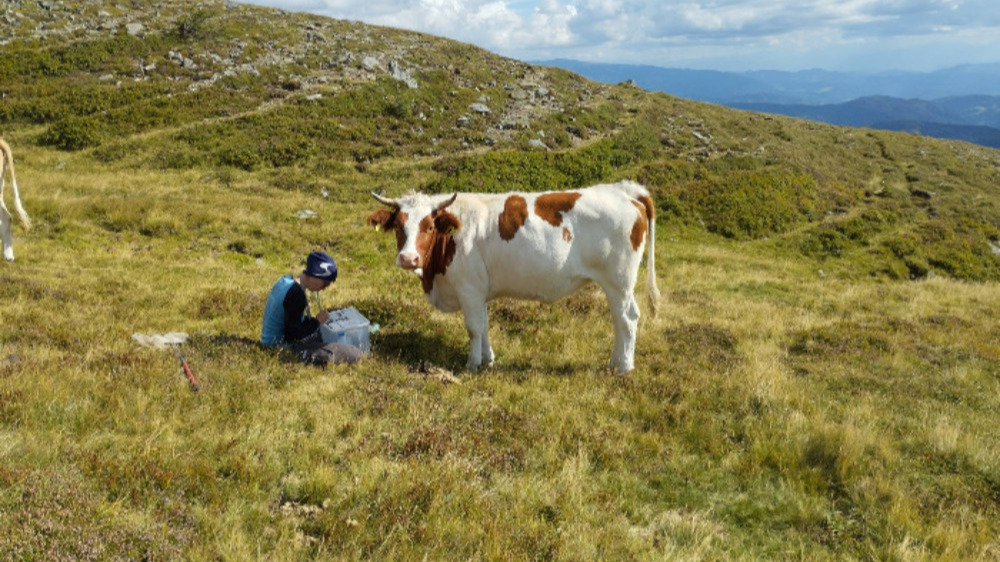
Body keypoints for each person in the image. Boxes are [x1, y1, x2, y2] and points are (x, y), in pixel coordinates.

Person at [260, 251, 337, 347]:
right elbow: (294, 336)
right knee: (340, 349)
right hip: (277, 346)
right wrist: (317, 322)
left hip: (268, 341)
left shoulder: (286, 280)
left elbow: (293, 321)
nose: (324, 288)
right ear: (314, 276)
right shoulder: (296, 294)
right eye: (325, 283)